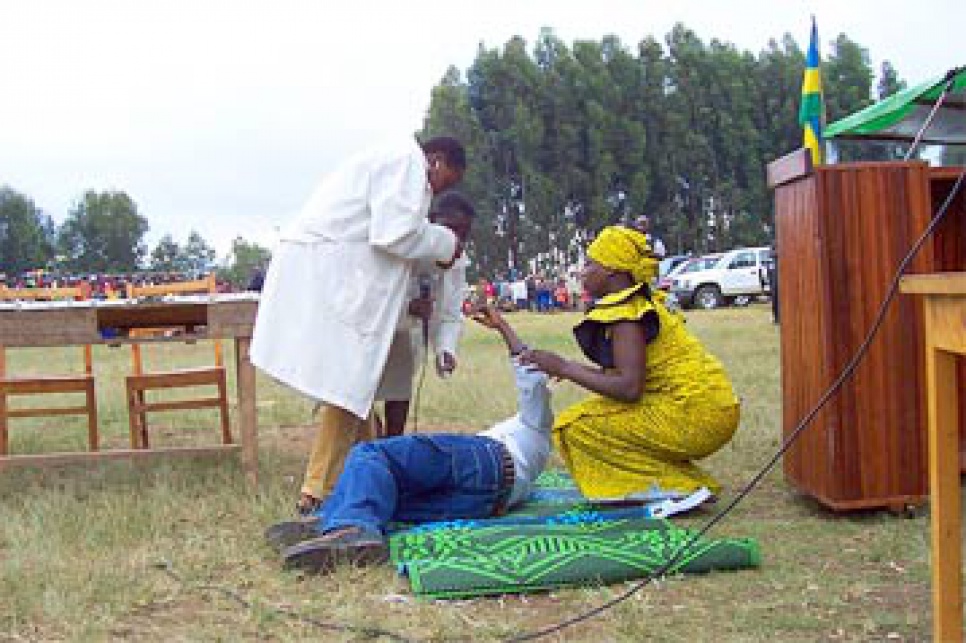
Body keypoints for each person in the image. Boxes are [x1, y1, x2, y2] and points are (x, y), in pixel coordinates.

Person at [250, 135, 469, 515]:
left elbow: (446, 301)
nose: (434, 193)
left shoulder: (397, 166)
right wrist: (444, 244)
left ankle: (367, 474)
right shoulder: (405, 163)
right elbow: (393, 234)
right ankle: (316, 492)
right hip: (333, 277)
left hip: (343, 282)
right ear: (435, 160)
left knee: (356, 389)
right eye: (442, 182)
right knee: (349, 385)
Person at [266, 305, 553, 574]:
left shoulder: (537, 425)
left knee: (372, 455)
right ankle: (334, 526)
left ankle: (347, 525)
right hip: (487, 502)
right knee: (389, 495)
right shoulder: (532, 459)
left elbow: (530, 374)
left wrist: (504, 327)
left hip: (486, 461)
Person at [521, 225, 740, 500]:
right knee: (596, 413)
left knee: (576, 427)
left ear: (612, 270)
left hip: (696, 413)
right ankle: (684, 484)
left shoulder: (627, 314)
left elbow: (628, 388)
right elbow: (625, 379)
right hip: (711, 406)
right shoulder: (639, 304)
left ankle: (680, 489)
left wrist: (565, 367)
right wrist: (563, 366)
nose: (582, 272)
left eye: (590, 264)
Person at [371, 191, 474, 437]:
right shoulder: (403, 245)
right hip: (372, 333)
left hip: (406, 336)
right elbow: (372, 299)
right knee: (360, 396)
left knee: (400, 388)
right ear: (433, 220)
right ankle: (369, 440)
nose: (456, 240)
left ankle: (393, 445)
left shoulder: (458, 261)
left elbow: (450, 313)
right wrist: (408, 308)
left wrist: (445, 350)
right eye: (451, 230)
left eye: (463, 234)